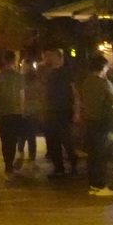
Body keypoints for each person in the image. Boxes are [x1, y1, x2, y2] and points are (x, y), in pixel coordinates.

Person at [80, 55, 113, 196]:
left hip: (88, 121)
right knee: (102, 154)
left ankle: (93, 185)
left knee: (92, 155)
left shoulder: (86, 82)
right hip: (102, 122)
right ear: (103, 67)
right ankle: (101, 185)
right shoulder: (104, 83)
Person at [40, 48, 78, 177]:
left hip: (63, 109)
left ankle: (72, 160)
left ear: (60, 58)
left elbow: (74, 91)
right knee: (53, 139)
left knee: (66, 139)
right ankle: (59, 166)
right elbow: (44, 90)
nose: (52, 58)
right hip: (51, 110)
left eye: (54, 56)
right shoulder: (48, 72)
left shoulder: (66, 72)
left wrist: (76, 108)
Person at [0, 50, 27, 178]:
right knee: (12, 139)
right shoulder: (18, 77)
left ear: (3, 60)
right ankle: (10, 164)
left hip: (2, 112)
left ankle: (7, 163)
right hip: (15, 112)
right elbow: (21, 95)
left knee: (4, 139)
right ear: (14, 61)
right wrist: (22, 110)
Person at [19, 59, 41, 171]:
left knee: (22, 134)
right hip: (34, 110)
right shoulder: (36, 79)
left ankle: (21, 153)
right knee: (31, 135)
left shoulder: (21, 80)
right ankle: (31, 158)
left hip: (24, 110)